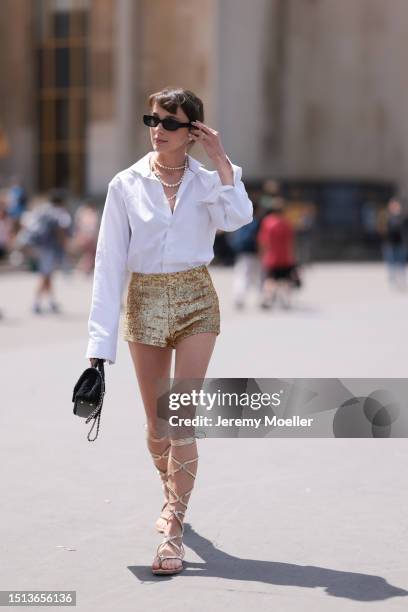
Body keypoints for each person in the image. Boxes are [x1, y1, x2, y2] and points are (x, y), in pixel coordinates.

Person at [85, 87, 253, 575]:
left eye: (170, 123)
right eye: (152, 120)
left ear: (193, 132)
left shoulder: (208, 181)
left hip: (197, 299)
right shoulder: (125, 184)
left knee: (180, 415)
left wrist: (222, 160)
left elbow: (238, 219)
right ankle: (169, 494)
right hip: (143, 301)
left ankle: (175, 525)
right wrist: (99, 347)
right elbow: (108, 265)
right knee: (157, 426)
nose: (157, 129)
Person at [257, 196, 296, 309]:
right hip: (285, 257)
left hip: (271, 256)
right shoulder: (287, 223)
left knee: (270, 278)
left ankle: (267, 299)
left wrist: (261, 254)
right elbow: (291, 242)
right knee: (285, 279)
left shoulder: (268, 222)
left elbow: (263, 240)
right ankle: (286, 301)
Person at [227, 197, 264, 308]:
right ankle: (260, 299)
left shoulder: (243, 219)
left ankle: (239, 298)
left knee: (242, 275)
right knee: (257, 277)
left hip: (242, 252)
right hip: (254, 252)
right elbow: (260, 239)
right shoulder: (258, 222)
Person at [380, 197, 408, 289]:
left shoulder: (403, 217)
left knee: (401, 264)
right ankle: (392, 282)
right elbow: (382, 229)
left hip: (401, 243)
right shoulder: (386, 217)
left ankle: (401, 281)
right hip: (389, 244)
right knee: (391, 264)